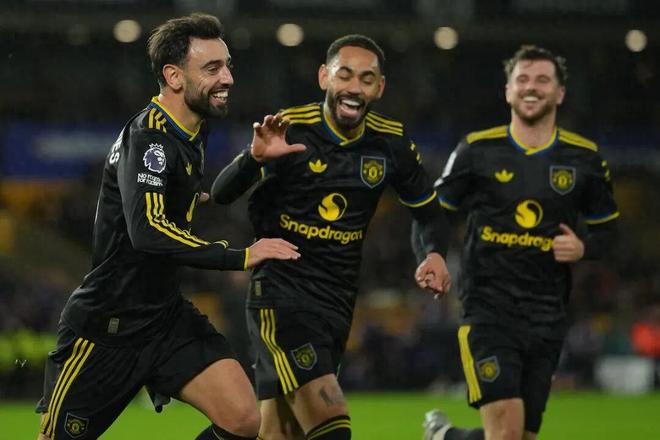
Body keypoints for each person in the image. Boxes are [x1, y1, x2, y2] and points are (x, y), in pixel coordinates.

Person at [35, 13, 302, 440]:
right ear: (174, 76)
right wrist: (240, 256)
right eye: (212, 68)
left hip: (164, 317)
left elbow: (201, 196)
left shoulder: (191, 130)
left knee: (243, 420)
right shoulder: (150, 138)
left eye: (227, 65)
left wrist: (251, 161)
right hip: (107, 325)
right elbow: (148, 232)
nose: (228, 78)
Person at [211, 34, 451, 440]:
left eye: (366, 79)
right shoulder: (291, 127)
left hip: (337, 304)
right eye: (345, 75)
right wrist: (252, 160)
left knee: (278, 434)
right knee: (331, 424)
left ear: (379, 87)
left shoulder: (390, 143)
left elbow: (429, 214)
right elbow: (221, 194)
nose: (354, 87)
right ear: (325, 77)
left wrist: (435, 254)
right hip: (281, 298)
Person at [419, 45, 620, 440]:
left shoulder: (585, 159)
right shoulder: (476, 150)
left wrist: (584, 247)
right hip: (487, 310)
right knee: (507, 433)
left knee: (520, 437)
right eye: (522, 79)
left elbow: (609, 232)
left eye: (543, 80)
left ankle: (444, 436)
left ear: (560, 93)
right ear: (508, 90)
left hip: (548, 315)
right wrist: (433, 254)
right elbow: (433, 213)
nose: (531, 87)